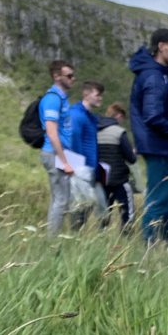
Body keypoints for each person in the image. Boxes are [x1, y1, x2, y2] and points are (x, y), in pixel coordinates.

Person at [129, 28, 168, 246]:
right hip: (158, 146)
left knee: (167, 200)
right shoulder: (153, 77)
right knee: (159, 199)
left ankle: (166, 246)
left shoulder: (159, 75)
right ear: (161, 46)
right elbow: (152, 116)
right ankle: (151, 246)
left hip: (161, 147)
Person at [38, 59, 76, 235]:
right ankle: (52, 243)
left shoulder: (61, 99)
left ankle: (53, 237)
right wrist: (65, 162)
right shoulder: (53, 99)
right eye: (69, 75)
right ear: (56, 76)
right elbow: (52, 133)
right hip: (54, 154)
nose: (73, 79)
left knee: (60, 200)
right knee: (61, 200)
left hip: (58, 154)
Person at [69, 80, 107, 228]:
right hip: (80, 169)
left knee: (99, 206)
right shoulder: (76, 115)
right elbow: (72, 141)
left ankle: (83, 239)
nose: (100, 98)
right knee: (81, 208)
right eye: (98, 95)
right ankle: (73, 238)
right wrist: (77, 168)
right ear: (86, 94)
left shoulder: (91, 117)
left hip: (91, 169)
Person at [96, 103, 137, 232]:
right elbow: (131, 158)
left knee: (104, 209)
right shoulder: (119, 132)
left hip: (102, 176)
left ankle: (101, 235)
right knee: (127, 210)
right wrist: (134, 152)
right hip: (119, 178)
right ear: (119, 115)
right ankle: (127, 236)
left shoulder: (96, 130)